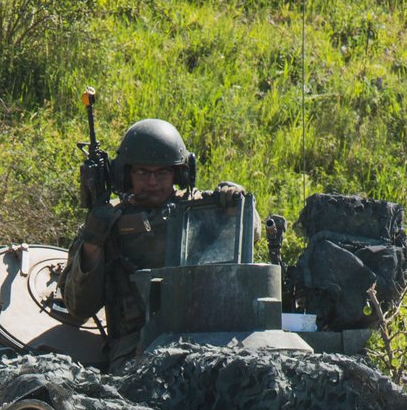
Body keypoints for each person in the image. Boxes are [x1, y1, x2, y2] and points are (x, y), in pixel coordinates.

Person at [60, 118, 259, 369]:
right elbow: (78, 308)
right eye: (142, 172)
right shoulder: (106, 222)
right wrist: (93, 245)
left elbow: (251, 231)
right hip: (137, 348)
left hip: (210, 338)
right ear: (125, 174)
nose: (152, 182)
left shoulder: (200, 209)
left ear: (180, 173)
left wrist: (236, 205)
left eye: (162, 172)